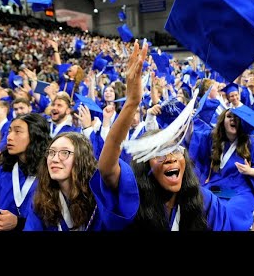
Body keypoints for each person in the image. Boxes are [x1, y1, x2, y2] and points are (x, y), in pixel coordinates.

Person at [95, 40, 231, 231]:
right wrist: (132, 102)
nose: (170, 158)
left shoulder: (206, 203)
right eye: (159, 153)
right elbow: (107, 168)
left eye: (175, 150)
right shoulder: (136, 197)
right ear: (145, 166)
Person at [24, 132, 101, 231]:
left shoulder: (97, 199)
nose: (54, 159)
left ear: (82, 158)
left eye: (64, 152)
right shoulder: (41, 200)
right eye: (51, 152)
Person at [0, 113, 51, 231]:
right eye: (9, 131)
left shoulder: (50, 173)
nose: (9, 137)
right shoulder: (1, 170)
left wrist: (19, 223)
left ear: (35, 136)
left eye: (18, 131)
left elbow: (54, 221)